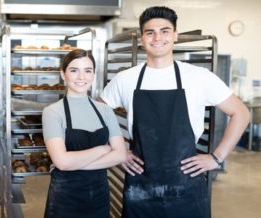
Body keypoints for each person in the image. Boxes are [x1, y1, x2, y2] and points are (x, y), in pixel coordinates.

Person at [101, 6, 250, 218]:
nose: (157, 37)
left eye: (165, 30)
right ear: (142, 38)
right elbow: (98, 113)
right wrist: (119, 152)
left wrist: (217, 158)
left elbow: (241, 113)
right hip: (140, 186)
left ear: (175, 36)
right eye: (150, 32)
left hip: (186, 186)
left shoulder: (199, 76)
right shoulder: (126, 78)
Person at [42, 49, 128, 218]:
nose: (82, 77)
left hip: (99, 196)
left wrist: (74, 163)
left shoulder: (105, 111)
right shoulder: (52, 112)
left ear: (93, 74)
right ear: (63, 74)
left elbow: (120, 154)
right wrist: (102, 150)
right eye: (74, 70)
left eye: (87, 71)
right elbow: (62, 162)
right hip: (65, 199)